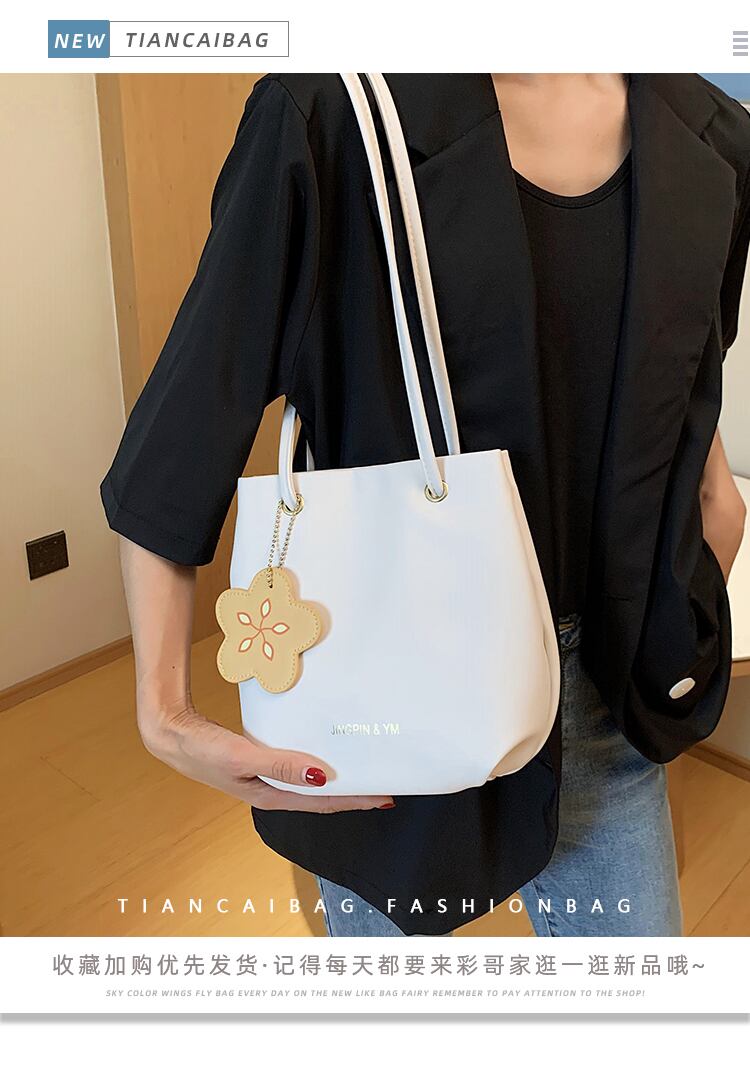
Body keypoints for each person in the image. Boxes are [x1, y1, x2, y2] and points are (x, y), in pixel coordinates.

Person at [100, 73, 750, 938]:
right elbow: (185, 427)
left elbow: (685, 390)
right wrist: (164, 714)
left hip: (609, 693)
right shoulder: (333, 111)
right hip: (390, 682)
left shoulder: (713, 134)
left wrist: (707, 538)